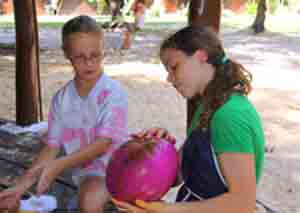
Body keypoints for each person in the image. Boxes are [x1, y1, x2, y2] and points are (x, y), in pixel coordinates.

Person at [113, 25, 265, 212]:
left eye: (174, 67)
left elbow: (243, 204)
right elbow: (179, 175)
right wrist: (160, 150)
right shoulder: (208, 105)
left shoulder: (229, 115)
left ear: (201, 56)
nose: (169, 79)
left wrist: (168, 210)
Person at [0, 15, 128, 213]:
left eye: (95, 55)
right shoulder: (62, 99)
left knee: (89, 199)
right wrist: (20, 186)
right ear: (67, 54)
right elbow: (51, 148)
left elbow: (104, 143)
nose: (88, 62)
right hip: (87, 172)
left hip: (119, 167)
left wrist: (58, 165)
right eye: (79, 57)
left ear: (103, 50)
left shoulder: (113, 93)